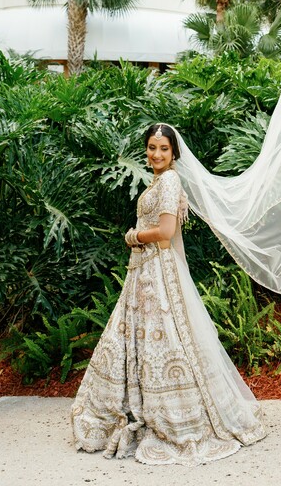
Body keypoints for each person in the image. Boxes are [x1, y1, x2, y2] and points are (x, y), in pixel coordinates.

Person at [70, 122, 266, 466]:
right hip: (146, 271)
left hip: (156, 270)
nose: (156, 154)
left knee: (164, 343)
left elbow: (165, 231)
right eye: (151, 147)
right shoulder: (160, 181)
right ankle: (134, 407)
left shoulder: (170, 181)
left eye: (163, 148)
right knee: (144, 342)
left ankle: (175, 416)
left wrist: (133, 236)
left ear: (174, 153)